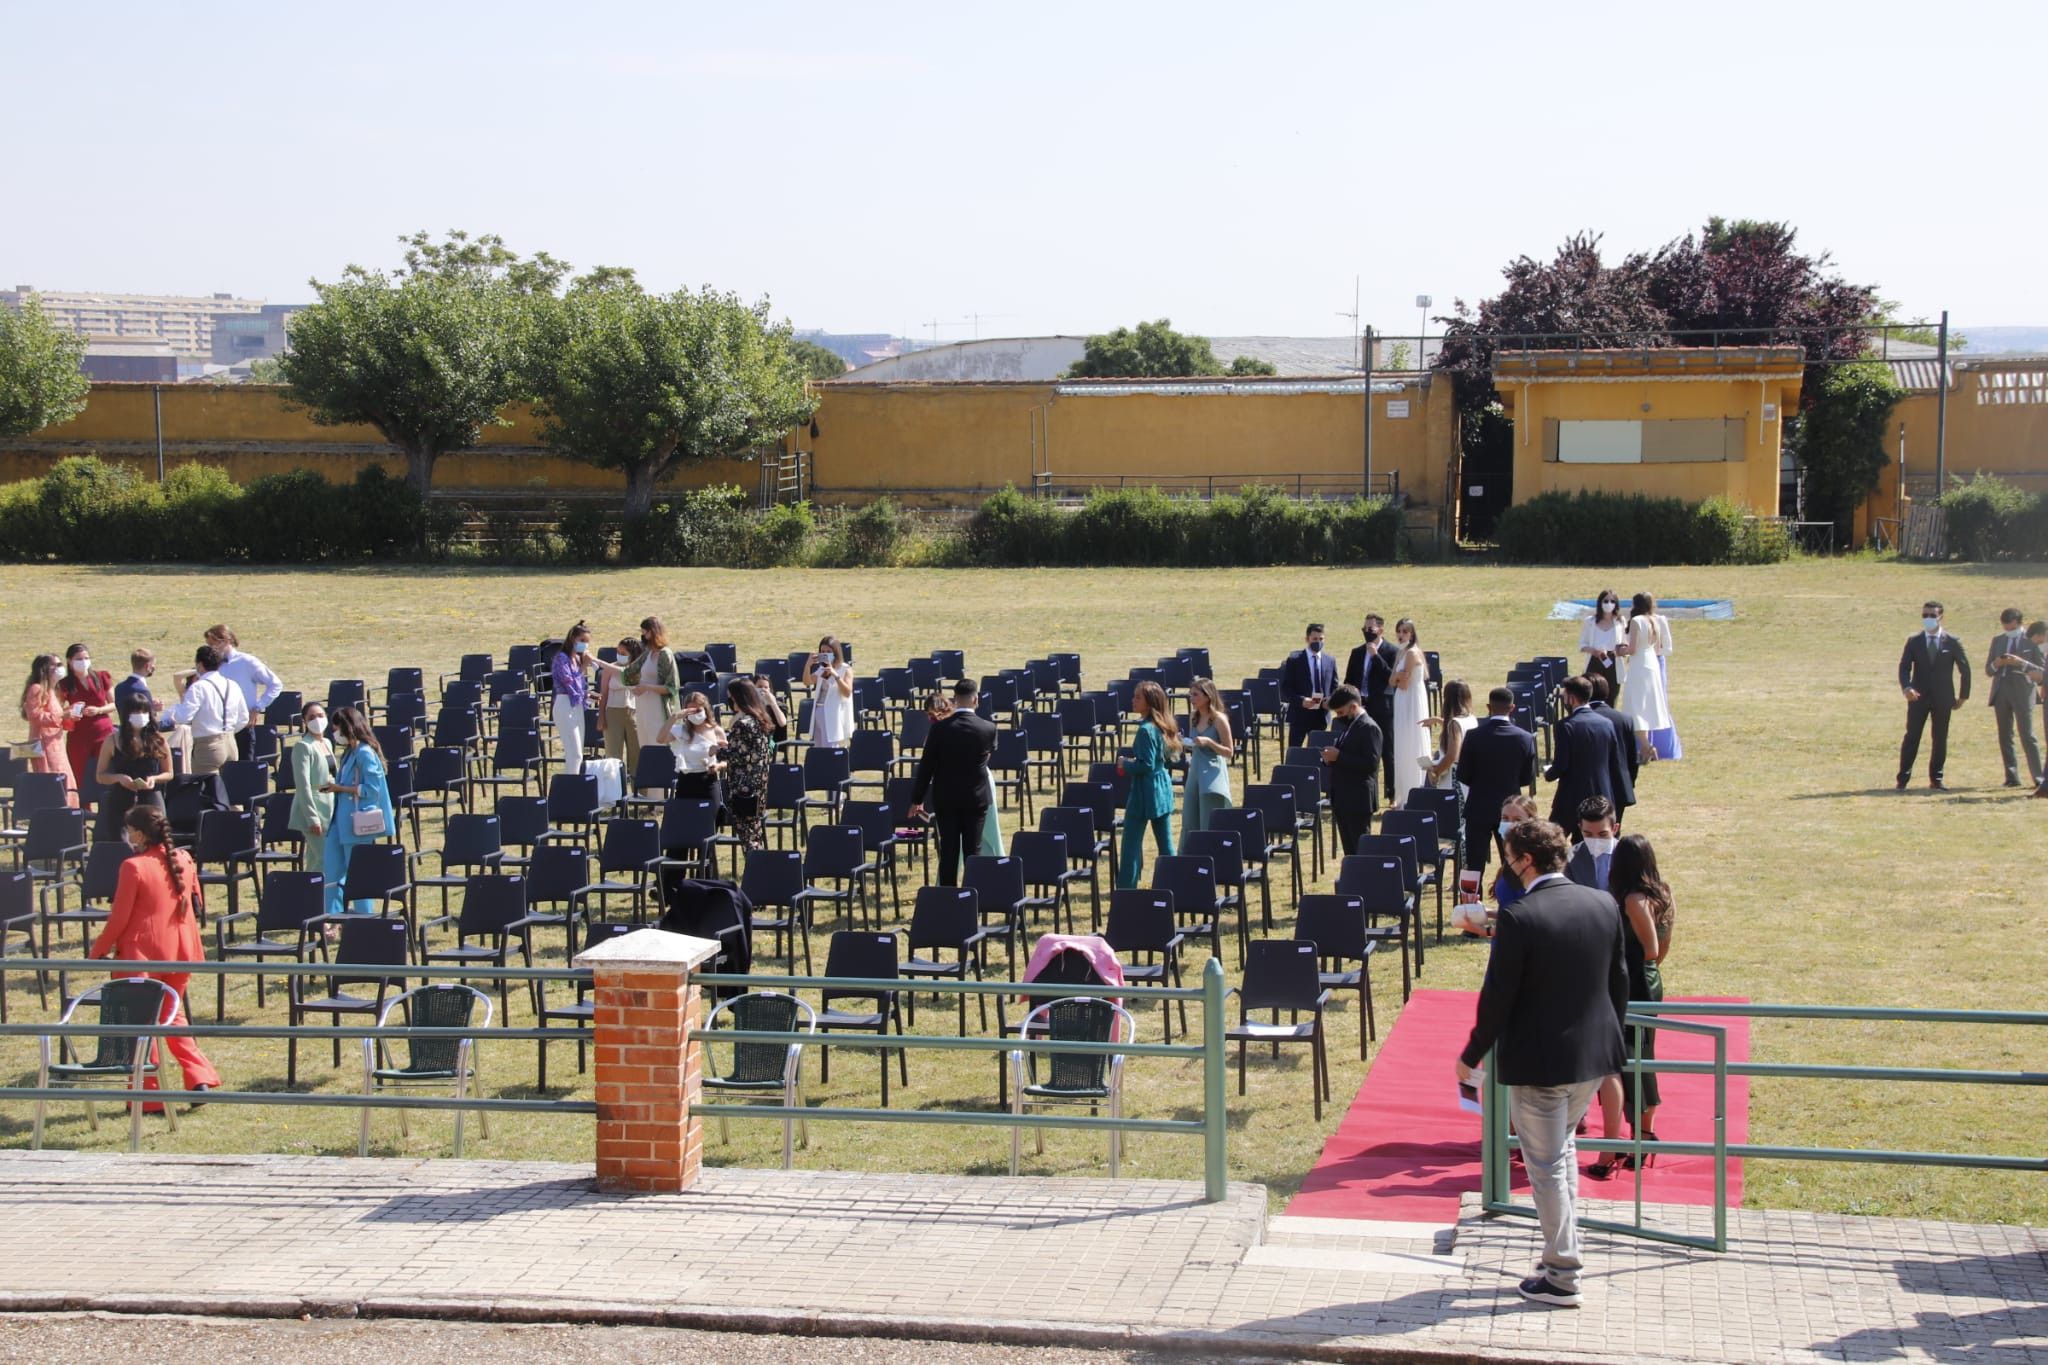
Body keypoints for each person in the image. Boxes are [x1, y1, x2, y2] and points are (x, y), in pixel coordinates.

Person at [1456, 818, 1628, 1308]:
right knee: (1562, 1155)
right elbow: (1618, 984)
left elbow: (1497, 999)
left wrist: (1470, 1057)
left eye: (1509, 859)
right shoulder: (1602, 904)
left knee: (1548, 1165)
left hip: (1540, 1062)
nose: (1507, 869)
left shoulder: (1520, 916)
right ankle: (1562, 1254)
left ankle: (1563, 1272)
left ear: (1525, 861)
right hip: (1593, 1059)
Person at [87, 806, 222, 1107]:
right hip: (180, 952)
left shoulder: (132, 867)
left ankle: (148, 1095)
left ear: (138, 833)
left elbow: (119, 918)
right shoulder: (185, 859)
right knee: (171, 1016)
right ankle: (198, 1078)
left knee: (141, 1022)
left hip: (142, 955)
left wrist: (97, 951)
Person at [1606, 832, 1674, 1164]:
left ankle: (1642, 1135)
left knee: (1631, 1059)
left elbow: (1650, 949)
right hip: (1649, 978)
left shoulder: (1634, 899)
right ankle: (1642, 1133)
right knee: (1641, 1055)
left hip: (1635, 981)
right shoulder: (1662, 893)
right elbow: (1663, 948)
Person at [909, 680, 1000, 887]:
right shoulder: (988, 728)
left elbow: (926, 767)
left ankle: (948, 898)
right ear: (976, 700)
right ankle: (971, 898)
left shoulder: (939, 730)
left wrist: (917, 799)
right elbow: (986, 761)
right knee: (973, 851)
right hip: (975, 799)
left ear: (955, 700)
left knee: (949, 850)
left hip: (946, 798)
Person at [317, 706, 394, 915]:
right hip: (339, 822)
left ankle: (364, 916)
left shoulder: (365, 753)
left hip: (357, 823)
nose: (335, 734)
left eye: (337, 729)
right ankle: (333, 917)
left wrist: (339, 788)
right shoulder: (349, 753)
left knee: (358, 874)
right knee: (331, 871)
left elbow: (372, 789)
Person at [1458, 687, 1536, 876]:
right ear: (1513, 708)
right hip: (1511, 809)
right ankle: (1512, 901)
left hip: (1478, 807)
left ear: (1488, 707)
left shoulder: (1474, 736)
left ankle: (1470, 904)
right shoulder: (1524, 738)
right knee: (1512, 862)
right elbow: (1527, 777)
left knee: (1474, 867)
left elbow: (1463, 774)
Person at [1896, 599, 1971, 791]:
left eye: (1932, 615)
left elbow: (1965, 669)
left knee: (1940, 738)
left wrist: (1963, 696)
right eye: (1925, 615)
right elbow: (1904, 667)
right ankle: (1902, 779)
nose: (1928, 619)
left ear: (1941, 617)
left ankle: (1936, 779)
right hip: (1918, 697)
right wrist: (1907, 688)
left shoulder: (1952, 642)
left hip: (1943, 698)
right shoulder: (1914, 641)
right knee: (1912, 736)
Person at [1114, 681, 1180, 889]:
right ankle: (1175, 885)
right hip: (1162, 790)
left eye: (1138, 698)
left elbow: (1146, 765)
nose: (1133, 700)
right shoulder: (1163, 726)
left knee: (1130, 848)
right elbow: (1166, 759)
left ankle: (1126, 892)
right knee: (1166, 845)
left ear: (1150, 702)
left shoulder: (1145, 730)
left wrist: (1126, 763)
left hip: (1144, 793)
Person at [1544, 677, 1627, 834]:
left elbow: (1562, 764)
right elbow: (1614, 761)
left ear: (1572, 698)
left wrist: (1549, 774)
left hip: (1571, 796)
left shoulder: (1565, 725)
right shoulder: (1606, 723)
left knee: (1552, 841)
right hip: (1601, 794)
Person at [161, 645, 249, 777]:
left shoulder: (199, 687)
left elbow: (184, 716)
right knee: (227, 789)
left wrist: (169, 715)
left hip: (208, 745)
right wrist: (228, 732)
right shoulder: (233, 685)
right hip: (231, 743)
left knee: (206, 790)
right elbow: (243, 718)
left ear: (200, 665)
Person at [549, 621, 621, 777]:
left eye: (587, 642)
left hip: (577, 706)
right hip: (564, 705)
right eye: (582, 641)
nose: (585, 645)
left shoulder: (577, 659)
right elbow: (569, 683)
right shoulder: (562, 658)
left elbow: (579, 686)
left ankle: (572, 783)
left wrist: (588, 694)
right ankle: (569, 787)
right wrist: (584, 667)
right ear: (573, 639)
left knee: (578, 753)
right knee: (573, 753)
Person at [1321, 684, 1383, 860]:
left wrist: (1339, 757)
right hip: (1343, 798)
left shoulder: (1369, 728)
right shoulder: (1350, 726)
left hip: (1358, 800)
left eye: (1341, 712)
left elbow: (1370, 764)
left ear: (1353, 707)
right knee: (1350, 851)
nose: (1339, 717)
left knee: (1360, 852)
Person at [1615, 593, 1679, 762]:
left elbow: (1633, 648)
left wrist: (1620, 651)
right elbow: (1658, 648)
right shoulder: (1655, 621)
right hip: (1652, 663)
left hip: (1640, 664)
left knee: (1635, 705)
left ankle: (1646, 747)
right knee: (1644, 705)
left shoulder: (1637, 621)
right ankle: (1645, 748)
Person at [1985, 608, 2044, 789]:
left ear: (2018, 623)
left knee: (2027, 734)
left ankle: (2039, 777)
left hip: (2023, 691)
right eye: (2004, 626)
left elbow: (2041, 669)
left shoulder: (2032, 639)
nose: (2007, 629)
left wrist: (2019, 663)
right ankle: (2011, 776)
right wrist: (1998, 663)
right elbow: (1988, 670)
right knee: (2005, 734)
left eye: (2010, 626)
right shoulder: (1998, 640)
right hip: (2001, 690)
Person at [93, 706, 171, 841]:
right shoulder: (112, 741)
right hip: (121, 798)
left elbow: (169, 773)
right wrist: (118, 778)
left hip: (150, 797)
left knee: (156, 839)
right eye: (136, 712)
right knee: (121, 843)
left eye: (143, 712)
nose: (140, 716)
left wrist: (154, 779)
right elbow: (100, 776)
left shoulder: (158, 740)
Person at [205, 626, 282, 758]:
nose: (211, 649)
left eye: (214, 644)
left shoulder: (247, 662)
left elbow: (275, 684)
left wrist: (257, 708)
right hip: (217, 725)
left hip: (242, 724)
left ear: (226, 640)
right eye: (209, 645)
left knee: (243, 767)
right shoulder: (211, 665)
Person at [1345, 614, 1399, 796]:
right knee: (1364, 752)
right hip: (1361, 707)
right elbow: (1349, 681)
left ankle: (1391, 792)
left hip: (1382, 707)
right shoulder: (1357, 652)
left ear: (1381, 630)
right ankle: (1367, 791)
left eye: (1371, 629)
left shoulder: (1392, 651)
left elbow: (1391, 679)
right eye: (1365, 628)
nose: (1367, 632)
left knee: (1387, 751)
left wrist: (1375, 656)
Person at [721, 678, 776, 853]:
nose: (731, 702)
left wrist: (717, 749)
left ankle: (757, 872)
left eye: (733, 698)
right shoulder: (759, 719)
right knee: (754, 831)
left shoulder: (742, 724)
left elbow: (737, 755)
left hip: (743, 787)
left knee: (747, 834)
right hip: (758, 785)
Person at [57, 642, 116, 803]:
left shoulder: (101, 677)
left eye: (86, 658)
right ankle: (82, 810)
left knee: (104, 770)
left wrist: (98, 710)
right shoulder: (65, 684)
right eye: (78, 659)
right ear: (69, 661)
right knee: (80, 774)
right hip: (79, 735)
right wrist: (69, 713)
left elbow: (114, 704)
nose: (83, 661)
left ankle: (106, 807)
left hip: (103, 732)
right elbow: (58, 711)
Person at [19, 654, 79, 806]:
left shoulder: (53, 691)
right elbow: (34, 716)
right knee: (51, 782)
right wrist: (62, 714)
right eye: (56, 665)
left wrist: (69, 716)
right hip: (43, 745)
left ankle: (66, 815)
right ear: (45, 669)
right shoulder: (36, 688)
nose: (61, 668)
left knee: (65, 780)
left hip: (56, 744)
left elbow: (56, 719)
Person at [1180, 678, 1235, 841]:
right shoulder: (1193, 717)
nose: (1192, 699)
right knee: (1189, 819)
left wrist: (1210, 742)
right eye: (1190, 695)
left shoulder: (1219, 720)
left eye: (1195, 695)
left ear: (1207, 696)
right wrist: (1184, 742)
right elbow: (1195, 746)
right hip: (1195, 772)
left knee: (1208, 820)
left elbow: (1229, 752)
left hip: (1212, 774)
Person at [289, 701, 337, 882]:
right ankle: (319, 898)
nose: (317, 720)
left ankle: (309, 896)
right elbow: (303, 785)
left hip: (329, 805)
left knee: (316, 859)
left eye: (320, 715)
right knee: (325, 857)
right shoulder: (303, 746)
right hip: (315, 809)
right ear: (304, 721)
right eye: (311, 717)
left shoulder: (326, 742)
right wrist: (312, 817)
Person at [1580, 675, 1638, 820]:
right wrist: (1629, 782)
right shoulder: (1625, 719)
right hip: (1620, 785)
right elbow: (1632, 757)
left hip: (1590, 786)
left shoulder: (1581, 719)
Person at [1387, 618, 1431, 806]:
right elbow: (1391, 681)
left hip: (1411, 701)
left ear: (1412, 634)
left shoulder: (1412, 653)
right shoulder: (1401, 652)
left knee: (1411, 741)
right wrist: (1397, 677)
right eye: (1399, 631)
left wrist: (1397, 677)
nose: (1401, 635)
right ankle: (1403, 793)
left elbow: (1403, 683)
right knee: (1402, 743)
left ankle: (1415, 790)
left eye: (1405, 631)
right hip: (1402, 701)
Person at [625, 617, 680, 753]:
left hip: (658, 708)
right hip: (643, 706)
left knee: (657, 743)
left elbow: (671, 687)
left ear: (653, 632)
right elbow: (629, 672)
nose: (643, 636)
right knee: (645, 744)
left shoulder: (665, 654)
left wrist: (647, 687)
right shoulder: (648, 653)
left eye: (645, 632)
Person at [1280, 623, 1337, 751]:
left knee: (1318, 753)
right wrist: (1301, 700)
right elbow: (1286, 689)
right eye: (1315, 639)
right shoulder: (1295, 660)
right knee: (1295, 752)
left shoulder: (1330, 661)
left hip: (1320, 715)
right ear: (1307, 639)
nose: (1318, 642)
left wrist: (1330, 701)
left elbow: (1334, 686)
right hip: (1300, 714)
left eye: (1321, 639)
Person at [669, 690, 727, 809]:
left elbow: (729, 759)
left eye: (698, 710)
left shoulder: (716, 730)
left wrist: (718, 766)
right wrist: (674, 718)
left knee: (709, 821)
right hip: (686, 781)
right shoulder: (682, 730)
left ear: (705, 709)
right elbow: (660, 738)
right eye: (691, 711)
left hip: (708, 781)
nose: (695, 714)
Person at [1489, 794, 1541, 913]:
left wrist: (1487, 931)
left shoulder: (1533, 862)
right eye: (1505, 818)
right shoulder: (1510, 857)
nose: (1510, 824)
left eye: (1517, 820)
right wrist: (1485, 912)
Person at [1424, 679, 1475, 789]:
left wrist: (1436, 771)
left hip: (1454, 780)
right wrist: (1439, 720)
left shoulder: (1454, 724)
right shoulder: (1471, 718)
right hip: (1468, 776)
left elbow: (1452, 756)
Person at [807, 636, 855, 747]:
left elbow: (847, 692)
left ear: (835, 652)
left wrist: (835, 674)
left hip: (832, 713)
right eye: (823, 651)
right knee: (819, 749)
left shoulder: (845, 669)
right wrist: (808, 665)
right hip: (818, 711)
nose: (825, 654)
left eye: (828, 651)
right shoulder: (822, 669)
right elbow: (808, 681)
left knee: (830, 748)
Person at [599, 636, 641, 764]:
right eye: (618, 652)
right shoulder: (609, 668)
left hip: (635, 713)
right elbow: (604, 693)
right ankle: (615, 782)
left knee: (636, 754)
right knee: (613, 755)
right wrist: (601, 716)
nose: (619, 655)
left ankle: (636, 783)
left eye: (623, 653)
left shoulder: (638, 668)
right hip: (612, 712)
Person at [1565, 796, 1619, 891]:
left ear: (1615, 829)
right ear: (1580, 829)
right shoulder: (1570, 859)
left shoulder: (1629, 854)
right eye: (1588, 834)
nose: (1596, 841)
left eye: (1603, 834)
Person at [1577, 590, 1625, 698]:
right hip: (1595, 661)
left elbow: (1624, 642)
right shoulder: (1590, 621)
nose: (1609, 604)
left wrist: (1620, 651)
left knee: (1611, 696)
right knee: (1591, 695)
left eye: (1612, 601)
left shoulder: (1620, 621)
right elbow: (1582, 644)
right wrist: (1594, 651)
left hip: (1613, 662)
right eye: (1606, 601)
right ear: (1600, 602)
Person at [114, 648, 160, 721]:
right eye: (153, 665)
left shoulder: (119, 687)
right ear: (148, 666)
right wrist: (155, 710)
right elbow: (150, 720)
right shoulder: (143, 690)